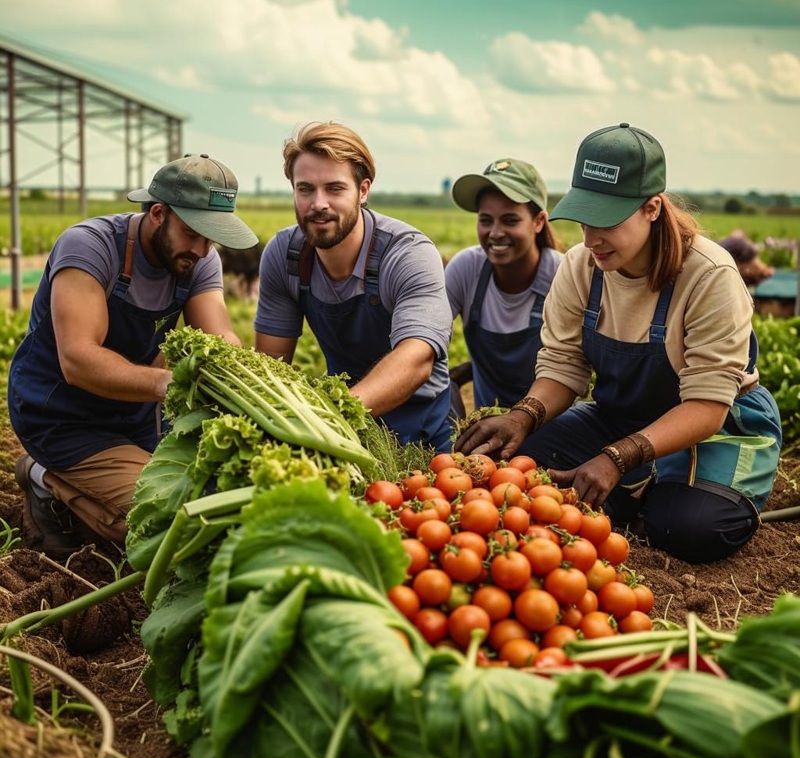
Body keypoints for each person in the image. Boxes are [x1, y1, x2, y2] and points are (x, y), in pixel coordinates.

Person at [455, 123, 782, 563]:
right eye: (585, 219)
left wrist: (617, 457)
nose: (592, 239)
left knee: (686, 528)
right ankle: (638, 488)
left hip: (717, 427)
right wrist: (522, 416)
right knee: (520, 465)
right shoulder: (581, 267)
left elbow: (707, 406)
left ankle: (647, 491)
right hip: (622, 414)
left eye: (607, 221)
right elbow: (563, 368)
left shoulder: (708, 276)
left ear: (651, 208)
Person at [9, 153, 259, 559]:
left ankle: (94, 475)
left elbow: (221, 335)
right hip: (61, 415)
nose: (202, 248)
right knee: (159, 522)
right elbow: (79, 359)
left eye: (211, 237)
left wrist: (246, 381)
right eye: (194, 233)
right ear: (158, 213)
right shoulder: (90, 247)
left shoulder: (198, 260)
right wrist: (168, 383)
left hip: (136, 414)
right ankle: (42, 475)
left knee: (212, 502)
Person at [254, 121, 453, 451]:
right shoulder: (286, 255)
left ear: (363, 191)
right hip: (343, 433)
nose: (319, 203)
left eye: (334, 188)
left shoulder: (407, 254)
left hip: (420, 434)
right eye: (305, 189)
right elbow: (271, 363)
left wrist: (327, 415)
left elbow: (417, 359)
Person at [446, 158, 563, 418]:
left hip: (550, 425)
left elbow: (575, 370)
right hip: (483, 429)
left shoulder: (560, 276)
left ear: (539, 221)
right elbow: (425, 342)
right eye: (486, 220)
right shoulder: (467, 269)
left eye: (510, 220)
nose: (496, 233)